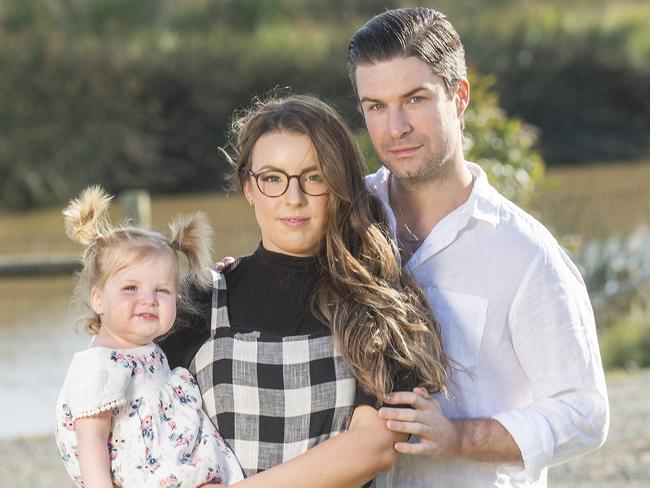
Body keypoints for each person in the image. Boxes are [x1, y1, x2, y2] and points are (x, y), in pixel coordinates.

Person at [345, 7, 610, 487]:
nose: (395, 127)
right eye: (376, 106)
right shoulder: (343, 220)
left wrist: (461, 438)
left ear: (459, 96)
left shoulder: (526, 254)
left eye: (415, 98)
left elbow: (586, 412)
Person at [159, 94, 449, 487]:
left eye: (313, 177)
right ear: (249, 187)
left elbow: (374, 447)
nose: (293, 198)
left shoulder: (383, 306)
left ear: (339, 184)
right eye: (273, 179)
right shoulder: (197, 302)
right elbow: (115, 406)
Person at [55, 186, 244, 487]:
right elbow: (90, 439)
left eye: (162, 290)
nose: (148, 299)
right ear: (99, 299)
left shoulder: (147, 349)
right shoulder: (100, 365)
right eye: (131, 288)